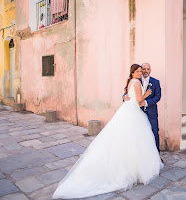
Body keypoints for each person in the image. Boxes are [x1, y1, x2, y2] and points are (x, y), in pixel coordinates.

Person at [52, 64, 163, 199]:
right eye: (139, 71)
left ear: (149, 70)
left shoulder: (151, 82)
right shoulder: (136, 82)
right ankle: (134, 168)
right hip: (134, 113)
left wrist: (143, 100)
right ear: (133, 72)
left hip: (142, 112)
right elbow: (133, 97)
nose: (142, 72)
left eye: (144, 70)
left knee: (147, 137)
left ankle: (150, 159)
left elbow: (156, 97)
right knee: (133, 140)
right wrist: (144, 95)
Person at [124, 63, 161, 152]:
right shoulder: (136, 79)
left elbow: (158, 97)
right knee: (140, 135)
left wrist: (146, 102)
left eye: (148, 69)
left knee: (154, 133)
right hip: (138, 113)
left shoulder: (156, 82)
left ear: (150, 70)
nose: (145, 71)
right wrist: (124, 97)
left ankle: (156, 155)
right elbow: (127, 92)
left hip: (151, 113)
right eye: (143, 69)